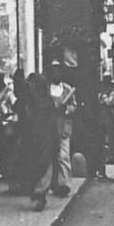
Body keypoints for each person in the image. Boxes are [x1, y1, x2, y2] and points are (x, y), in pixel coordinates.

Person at [19, 73, 59, 212]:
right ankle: (39, 193)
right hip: (35, 139)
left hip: (43, 138)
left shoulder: (42, 103)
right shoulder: (33, 103)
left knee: (43, 166)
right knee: (38, 166)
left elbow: (51, 124)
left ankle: (40, 194)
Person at [49, 60, 77, 196]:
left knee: (64, 156)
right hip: (50, 127)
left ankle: (64, 184)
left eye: (58, 70)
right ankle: (53, 184)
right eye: (54, 71)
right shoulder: (46, 89)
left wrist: (66, 109)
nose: (56, 73)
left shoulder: (67, 89)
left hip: (64, 127)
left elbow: (74, 106)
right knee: (51, 156)